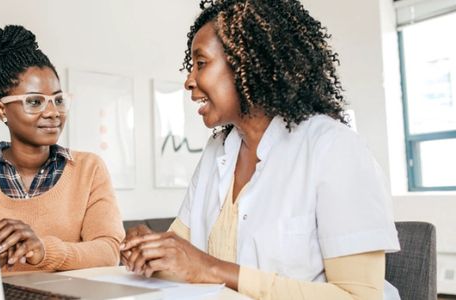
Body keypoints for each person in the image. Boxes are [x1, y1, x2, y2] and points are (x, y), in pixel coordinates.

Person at [120, 0, 400, 299]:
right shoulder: (218, 151)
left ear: (248, 64)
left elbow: (360, 296)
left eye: (200, 63)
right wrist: (149, 250)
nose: (189, 80)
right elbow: (182, 260)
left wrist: (212, 269)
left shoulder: (334, 149)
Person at [0, 25, 124, 272]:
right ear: (1, 110)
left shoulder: (88, 169)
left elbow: (109, 251)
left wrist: (43, 250)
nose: (53, 112)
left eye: (58, 100)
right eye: (34, 102)